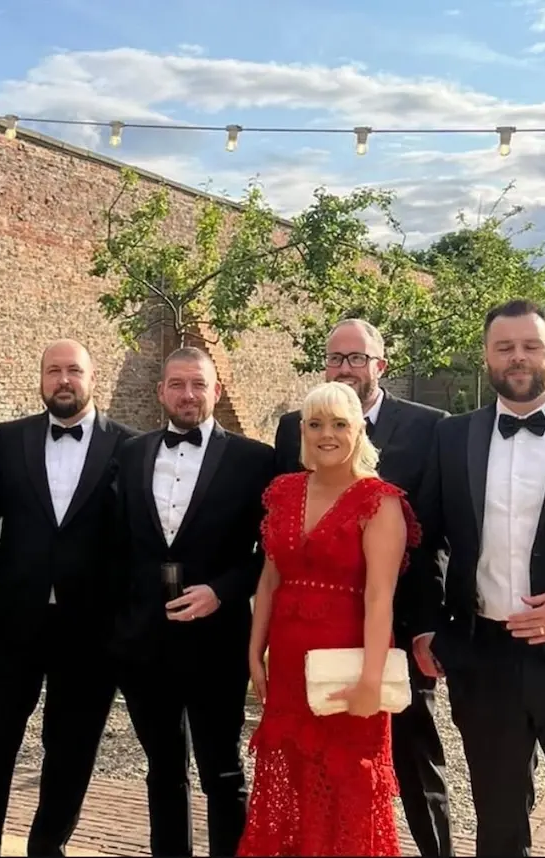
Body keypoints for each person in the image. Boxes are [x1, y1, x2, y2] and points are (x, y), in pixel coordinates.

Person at [272, 318, 452, 857]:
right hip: (311, 637)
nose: (345, 367)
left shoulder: (429, 427)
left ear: (381, 365)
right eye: (335, 358)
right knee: (315, 768)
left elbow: (437, 538)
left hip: (398, 628)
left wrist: (427, 627)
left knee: (413, 764)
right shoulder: (293, 426)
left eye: (356, 358)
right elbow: (283, 532)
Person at [0, 339, 136, 857]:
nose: (63, 380)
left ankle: (47, 848)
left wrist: (120, 617)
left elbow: (134, 537)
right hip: (10, 623)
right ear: (41, 379)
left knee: (72, 750)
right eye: (53, 370)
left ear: (92, 377)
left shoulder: (128, 446)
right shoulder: (9, 438)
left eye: (73, 370)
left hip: (90, 629)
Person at [239, 380, 418, 856]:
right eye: (316, 424)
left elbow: (380, 599)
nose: (327, 434)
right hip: (288, 668)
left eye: (340, 423)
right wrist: (255, 652)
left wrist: (371, 682)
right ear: (303, 431)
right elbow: (269, 579)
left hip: (349, 672)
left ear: (359, 430)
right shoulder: (284, 491)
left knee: (349, 791)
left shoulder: (379, 500)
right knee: (291, 786)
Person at [413, 299, 545, 856]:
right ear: (486, 356)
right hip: (484, 659)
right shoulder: (452, 436)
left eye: (530, 346)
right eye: (505, 347)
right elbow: (425, 539)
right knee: (498, 826)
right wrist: (428, 627)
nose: (517, 357)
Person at [111, 346, 275, 857]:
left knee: (223, 771)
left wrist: (221, 591)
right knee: (162, 771)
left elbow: (271, 554)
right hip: (144, 643)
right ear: (161, 391)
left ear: (216, 391)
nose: (188, 394)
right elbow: (116, 543)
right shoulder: (131, 453)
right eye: (177, 385)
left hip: (217, 643)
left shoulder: (255, 460)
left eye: (198, 384)